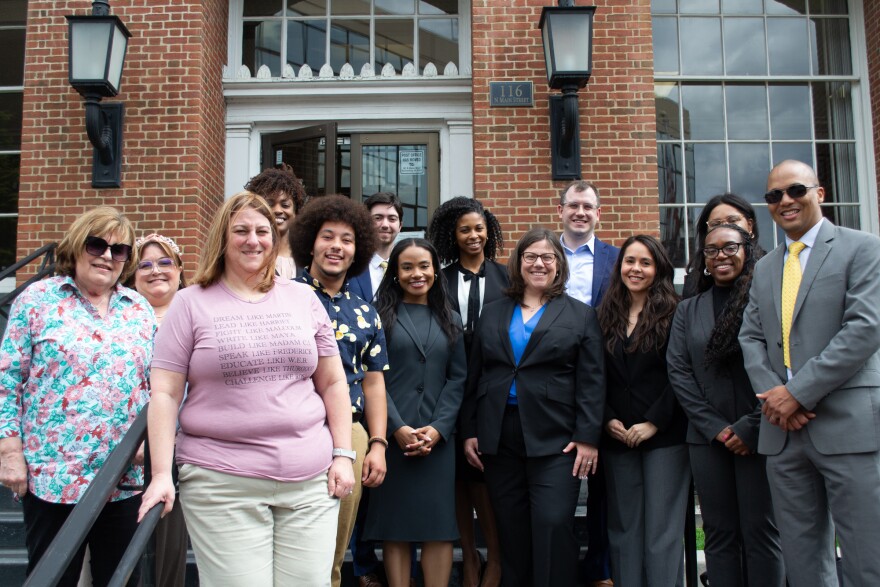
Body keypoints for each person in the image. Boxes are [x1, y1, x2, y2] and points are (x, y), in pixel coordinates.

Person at [138, 191, 355, 586]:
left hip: (310, 480)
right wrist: (159, 474)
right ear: (223, 238)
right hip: (222, 481)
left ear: (274, 238)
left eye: (262, 230)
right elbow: (166, 393)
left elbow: (333, 381)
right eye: (240, 230)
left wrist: (343, 454)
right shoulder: (189, 304)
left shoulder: (303, 298)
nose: (252, 240)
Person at [739, 160, 880, 586]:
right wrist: (776, 398)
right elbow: (751, 339)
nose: (785, 201)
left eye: (795, 190)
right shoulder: (765, 267)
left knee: (866, 555)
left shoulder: (863, 247)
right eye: (773, 196)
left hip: (846, 426)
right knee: (801, 560)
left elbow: (864, 329)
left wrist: (797, 393)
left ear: (820, 193)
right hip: (783, 432)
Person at [0, 207, 154, 586]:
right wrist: (8, 452)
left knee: (119, 579)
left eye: (119, 250)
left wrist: (152, 439)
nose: (107, 255)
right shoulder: (37, 300)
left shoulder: (139, 309)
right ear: (76, 245)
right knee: (52, 579)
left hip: (123, 477)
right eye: (97, 244)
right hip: (54, 476)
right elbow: (7, 380)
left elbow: (161, 386)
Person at [462, 227, 605, 587]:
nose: (538, 264)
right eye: (530, 256)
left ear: (558, 265)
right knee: (510, 528)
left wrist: (587, 437)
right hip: (499, 436)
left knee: (553, 523)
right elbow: (475, 376)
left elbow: (592, 381)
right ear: (518, 263)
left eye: (547, 257)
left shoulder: (581, 315)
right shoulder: (493, 312)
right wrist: (470, 431)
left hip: (556, 439)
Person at [667, 223, 784, 587]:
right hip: (707, 439)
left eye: (730, 248)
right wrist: (716, 428)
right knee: (718, 532)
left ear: (747, 251)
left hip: (762, 432)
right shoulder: (688, 309)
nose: (721, 256)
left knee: (761, 531)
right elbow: (679, 371)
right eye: (712, 250)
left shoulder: (767, 300)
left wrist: (749, 426)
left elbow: (780, 365)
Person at [288, 195, 389, 587]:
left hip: (352, 434)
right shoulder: (282, 296)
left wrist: (377, 443)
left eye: (347, 240)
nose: (336, 246)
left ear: (357, 249)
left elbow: (375, 381)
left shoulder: (366, 311)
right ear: (310, 243)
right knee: (295, 541)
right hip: (294, 431)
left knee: (334, 546)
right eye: (327, 236)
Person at [364, 238, 466, 587]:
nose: (416, 273)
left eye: (424, 266)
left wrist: (439, 428)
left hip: (438, 441)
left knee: (439, 527)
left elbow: (458, 378)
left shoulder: (451, 319)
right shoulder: (378, 317)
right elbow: (371, 377)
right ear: (395, 272)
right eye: (407, 267)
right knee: (397, 528)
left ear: (436, 272)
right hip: (394, 440)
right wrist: (396, 427)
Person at [596, 234, 689, 587]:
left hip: (665, 437)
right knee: (624, 528)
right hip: (617, 436)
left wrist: (654, 422)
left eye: (645, 262)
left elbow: (681, 373)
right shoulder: (603, 314)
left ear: (659, 268)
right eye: (630, 261)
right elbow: (594, 375)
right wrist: (606, 419)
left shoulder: (676, 312)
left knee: (661, 532)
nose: (636, 269)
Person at [426, 195, 506, 587]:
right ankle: (469, 557)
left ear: (488, 231)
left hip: (492, 386)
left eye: (479, 228)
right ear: (452, 236)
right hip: (452, 384)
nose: (473, 235)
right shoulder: (440, 279)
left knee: (484, 475)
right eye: (465, 230)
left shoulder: (508, 278)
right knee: (456, 476)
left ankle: (496, 557)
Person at [557, 179, 619, 587]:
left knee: (604, 484)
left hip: (605, 377)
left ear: (598, 213)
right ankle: (556, 568)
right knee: (556, 481)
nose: (580, 212)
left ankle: (601, 570)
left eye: (588, 207)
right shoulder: (541, 256)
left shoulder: (617, 259)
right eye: (573, 205)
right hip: (553, 381)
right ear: (560, 210)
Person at [128, 232, 189, 587]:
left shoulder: (194, 314)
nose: (156, 271)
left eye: (165, 262)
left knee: (167, 550)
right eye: (145, 265)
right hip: (120, 450)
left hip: (176, 451)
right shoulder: (122, 318)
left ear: (180, 269)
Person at [682, 193, 759, 299]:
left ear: (750, 226)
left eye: (732, 221)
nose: (724, 228)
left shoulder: (768, 271)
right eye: (715, 224)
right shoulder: (694, 284)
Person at [245, 163, 307, 280]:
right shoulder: (249, 254)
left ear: (296, 211)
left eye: (285, 205)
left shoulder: (309, 258)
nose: (278, 210)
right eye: (270, 204)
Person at [349, 192, 403, 303]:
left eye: (392, 219)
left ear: (400, 226)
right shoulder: (349, 265)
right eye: (378, 218)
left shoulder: (407, 266)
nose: (385, 225)